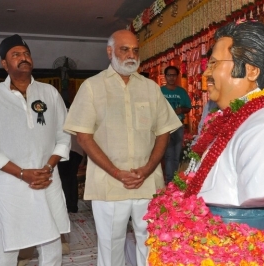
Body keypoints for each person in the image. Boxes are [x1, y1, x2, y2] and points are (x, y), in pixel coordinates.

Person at [63, 29, 181, 266]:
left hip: (147, 183)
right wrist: (116, 172)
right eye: (124, 49)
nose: (131, 55)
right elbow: (84, 137)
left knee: (150, 244)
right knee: (110, 245)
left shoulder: (150, 88)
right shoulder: (92, 87)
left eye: (135, 50)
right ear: (110, 52)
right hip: (109, 184)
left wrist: (147, 169)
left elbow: (164, 132)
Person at [0, 34, 71, 266]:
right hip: (10, 185)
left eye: (26, 54)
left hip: (47, 180)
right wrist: (21, 172)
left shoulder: (50, 93)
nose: (23, 58)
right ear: (4, 64)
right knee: (8, 244)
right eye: (15, 55)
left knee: (52, 242)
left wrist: (48, 167)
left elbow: (64, 134)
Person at [193, 20, 264, 229]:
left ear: (251, 71)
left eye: (214, 64)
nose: (205, 74)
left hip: (239, 236)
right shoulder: (227, 118)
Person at [161, 66, 192, 183]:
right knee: (168, 155)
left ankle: (176, 180)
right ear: (165, 77)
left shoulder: (181, 92)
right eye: (169, 75)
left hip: (178, 126)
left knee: (177, 154)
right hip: (164, 127)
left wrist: (181, 110)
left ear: (177, 77)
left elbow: (188, 108)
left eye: (174, 75)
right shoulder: (160, 91)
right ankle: (169, 181)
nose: (171, 78)